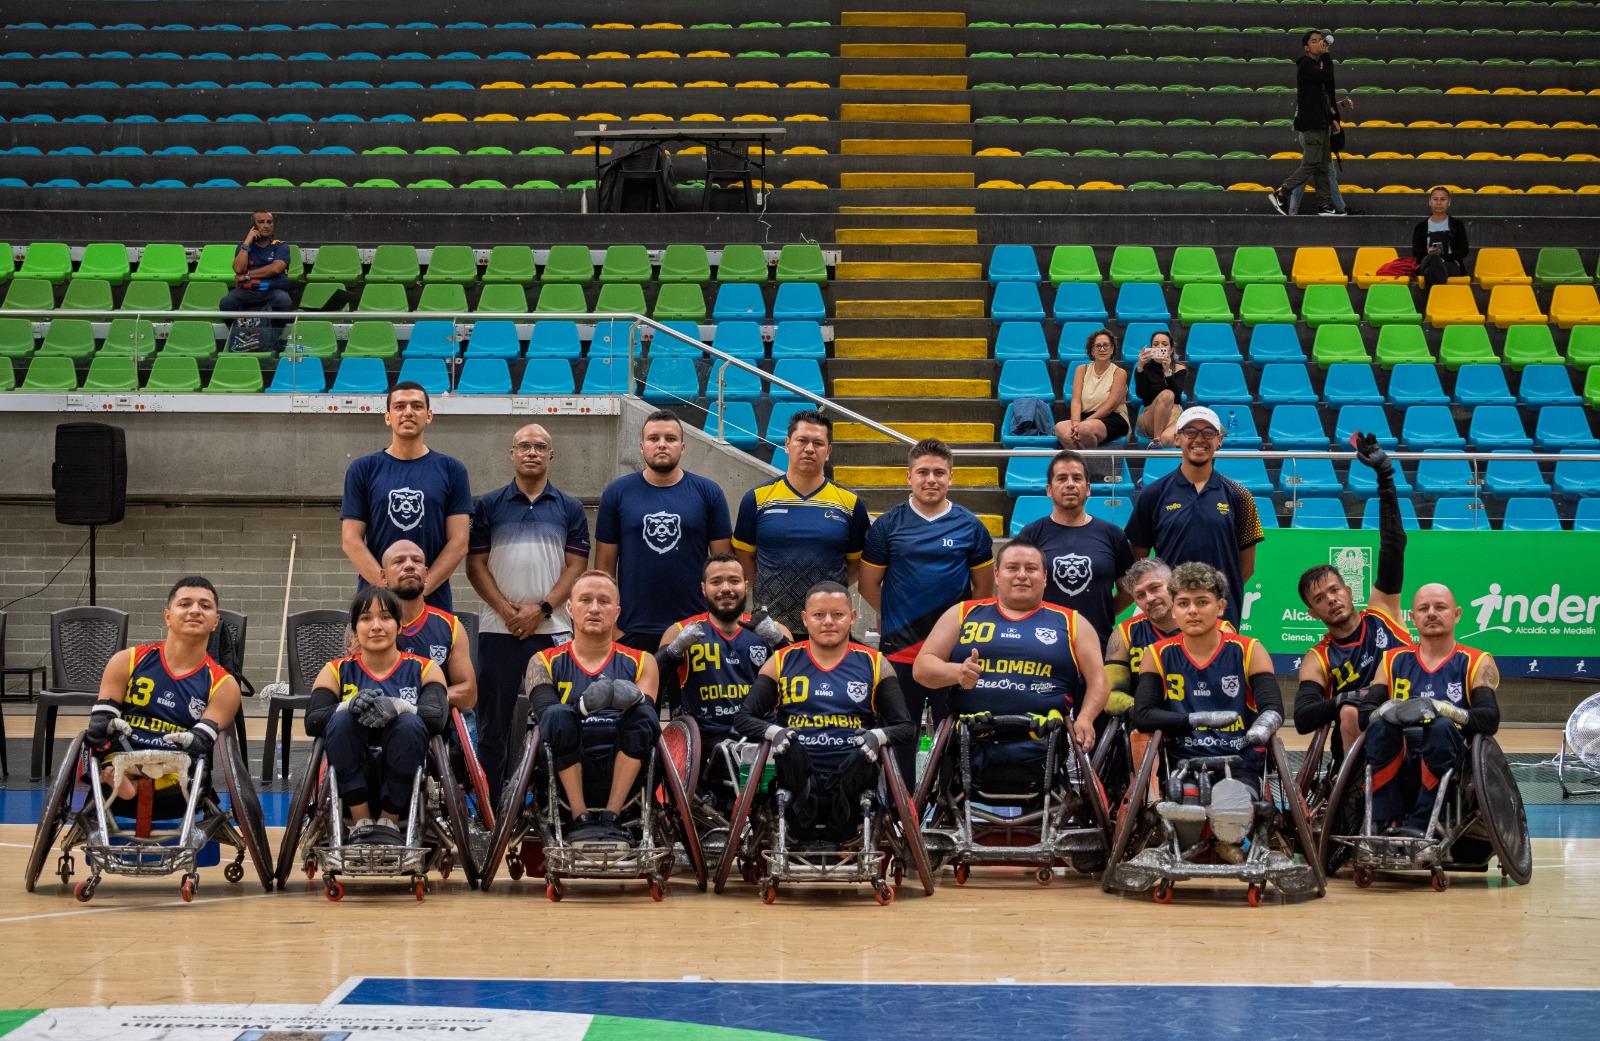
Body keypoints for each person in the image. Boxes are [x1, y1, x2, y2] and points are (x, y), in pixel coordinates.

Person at [732, 582, 914, 847]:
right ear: (805, 619)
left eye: (838, 614)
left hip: (854, 774)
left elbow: (905, 727)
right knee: (790, 747)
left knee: (862, 754)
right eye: (818, 615)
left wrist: (878, 736)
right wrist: (774, 732)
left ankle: (836, 838)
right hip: (797, 775)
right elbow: (743, 719)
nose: (828, 621)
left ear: (852, 617)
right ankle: (804, 836)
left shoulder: (875, 663)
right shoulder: (780, 661)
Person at [466, 423, 589, 802]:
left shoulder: (570, 507)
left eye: (540, 446)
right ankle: (491, 810)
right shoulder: (488, 505)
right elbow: (475, 565)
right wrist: (507, 611)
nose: (532, 452)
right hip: (497, 631)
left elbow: (577, 567)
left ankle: (557, 806)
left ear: (551, 454)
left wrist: (542, 609)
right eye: (524, 446)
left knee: (560, 722)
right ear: (512, 453)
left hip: (554, 632)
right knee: (492, 728)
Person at [859, 438, 995, 781]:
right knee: (900, 737)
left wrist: (953, 632)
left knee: (953, 740)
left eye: (939, 472)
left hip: (952, 657)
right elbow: (868, 585)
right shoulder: (886, 525)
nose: (931, 479)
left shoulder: (971, 527)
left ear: (951, 477)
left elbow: (983, 590)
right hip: (899, 653)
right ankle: (901, 806)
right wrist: (897, 618)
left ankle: (948, 806)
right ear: (909, 477)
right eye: (923, 472)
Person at [914, 542, 1109, 755]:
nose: (1022, 575)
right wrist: (957, 672)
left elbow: (1099, 681)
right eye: (1012, 568)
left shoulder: (1074, 622)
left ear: (1045, 577)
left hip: (1046, 738)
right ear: (997, 575)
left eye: (1031, 569)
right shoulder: (962, 613)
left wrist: (1085, 718)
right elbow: (922, 667)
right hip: (970, 737)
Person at [522, 571, 661, 845]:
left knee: (645, 715)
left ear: (616, 612)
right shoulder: (542, 661)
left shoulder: (643, 660)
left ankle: (612, 815)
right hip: (564, 760)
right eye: (585, 600)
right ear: (570, 609)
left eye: (604, 601)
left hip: (623, 758)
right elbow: (546, 715)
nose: (595, 608)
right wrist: (585, 706)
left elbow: (643, 715)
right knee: (558, 715)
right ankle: (579, 816)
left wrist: (619, 698)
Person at [1294, 434, 1413, 754]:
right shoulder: (1318, 658)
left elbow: (1394, 545)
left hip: (1411, 725)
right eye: (1320, 599)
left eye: (1334, 590)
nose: (1331, 599)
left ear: (1348, 592)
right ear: (1313, 614)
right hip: (1358, 737)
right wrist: (1349, 699)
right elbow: (1303, 718)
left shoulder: (1383, 614)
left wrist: (1385, 478)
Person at [304, 588, 451, 845]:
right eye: (365, 618)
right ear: (354, 629)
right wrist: (347, 705)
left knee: (409, 723)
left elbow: (437, 718)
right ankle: (361, 819)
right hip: (350, 774)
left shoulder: (425, 668)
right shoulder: (335, 669)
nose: (376, 626)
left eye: (385, 617)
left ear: (399, 625)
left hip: (406, 776)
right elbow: (313, 720)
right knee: (340, 720)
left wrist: (401, 706)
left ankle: (388, 821)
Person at [1132, 562, 1283, 806]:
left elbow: (1273, 708)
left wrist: (1261, 730)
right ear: (1174, 610)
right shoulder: (1156, 654)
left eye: (1202, 602)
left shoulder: (1249, 649)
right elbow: (1143, 715)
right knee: (1187, 811)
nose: (1192, 610)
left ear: (1220, 607)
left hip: (1240, 763)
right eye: (1183, 603)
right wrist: (1199, 719)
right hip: (1183, 765)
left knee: (1230, 809)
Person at [1358, 583, 1500, 840]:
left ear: (1456, 614)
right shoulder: (1392, 660)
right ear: (1413, 618)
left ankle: (1421, 823)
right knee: (1379, 726)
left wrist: (1443, 709)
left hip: (1451, 758)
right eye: (1423, 609)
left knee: (1441, 726)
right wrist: (1392, 709)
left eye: (1440, 607)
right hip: (1400, 755)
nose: (1432, 613)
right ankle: (1383, 820)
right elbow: (1364, 716)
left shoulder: (1477, 661)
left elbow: (1490, 719)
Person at [86, 576, 242, 800]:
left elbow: (201, 742)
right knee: (105, 758)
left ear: (215, 622)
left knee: (186, 763)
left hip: (175, 767)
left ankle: (133, 788)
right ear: (168, 616)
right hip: (122, 755)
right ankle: (123, 780)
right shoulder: (126, 661)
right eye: (185, 604)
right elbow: (98, 726)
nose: (195, 610)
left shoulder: (224, 685)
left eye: (205, 606)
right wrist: (108, 723)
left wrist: (190, 742)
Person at [594, 410, 733, 653]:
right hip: (632, 629)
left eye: (670, 438)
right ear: (641, 446)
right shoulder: (617, 493)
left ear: (682, 447)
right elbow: (604, 568)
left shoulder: (709, 493)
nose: (661, 444)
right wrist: (613, 629)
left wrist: (718, 623)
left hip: (694, 627)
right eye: (653, 438)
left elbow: (723, 567)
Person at [656, 554, 791, 793]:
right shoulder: (679, 630)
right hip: (704, 735)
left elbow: (803, 679)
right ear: (704, 588)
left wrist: (779, 642)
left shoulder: (773, 630)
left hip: (760, 731)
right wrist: (675, 649)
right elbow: (652, 679)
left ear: (746, 586)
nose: (726, 588)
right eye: (716, 581)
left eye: (734, 581)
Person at [732, 409, 870, 636]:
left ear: (828, 451)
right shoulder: (756, 499)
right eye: (802, 440)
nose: (809, 448)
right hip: (770, 626)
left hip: (827, 628)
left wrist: (828, 592)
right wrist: (768, 590)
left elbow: (857, 564)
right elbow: (743, 555)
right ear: (787, 445)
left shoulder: (850, 503)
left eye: (818, 443)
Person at [1125, 406, 1265, 629]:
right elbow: (1138, 564)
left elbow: (1246, 569)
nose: (1199, 439)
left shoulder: (1240, 495)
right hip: (1170, 619)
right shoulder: (1153, 494)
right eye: (1190, 431)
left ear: (1219, 440)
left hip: (1222, 617)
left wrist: (1212, 600)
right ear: (1177, 438)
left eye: (1208, 432)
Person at [341, 382, 472, 612]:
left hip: (433, 602)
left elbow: (459, 542)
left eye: (417, 406)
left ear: (429, 415)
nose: (408, 412)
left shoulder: (452, 470)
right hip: (377, 604)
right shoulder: (363, 469)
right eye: (400, 406)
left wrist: (419, 591)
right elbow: (351, 541)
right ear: (388, 417)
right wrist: (390, 594)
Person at [1015, 450, 1133, 650]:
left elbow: (1128, 590)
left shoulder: (1113, 535)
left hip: (1097, 645)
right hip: (1043, 645)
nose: (1070, 484)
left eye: (1077, 478)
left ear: (1088, 489)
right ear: (1049, 490)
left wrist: (1104, 615)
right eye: (1062, 478)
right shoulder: (1031, 535)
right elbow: (1015, 589)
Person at [381, 540, 478, 717]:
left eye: (417, 560)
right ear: (383, 576)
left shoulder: (451, 625)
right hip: (383, 719)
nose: (409, 565)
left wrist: (417, 702)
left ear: (426, 574)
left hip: (435, 722)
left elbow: (469, 694)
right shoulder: (367, 626)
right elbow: (355, 683)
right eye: (399, 561)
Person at [1268, 30, 1345, 218]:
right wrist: (1326, 56)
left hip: (1323, 123)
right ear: (1306, 47)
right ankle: (1282, 193)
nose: (1319, 43)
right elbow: (1325, 75)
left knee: (1323, 166)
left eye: (1320, 40)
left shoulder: (1319, 65)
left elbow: (1328, 89)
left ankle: (1324, 205)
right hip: (1312, 124)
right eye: (1314, 41)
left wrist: (1334, 118)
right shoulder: (1306, 65)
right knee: (1312, 163)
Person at [1056, 328, 1130, 450]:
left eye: (1106, 345)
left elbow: (1110, 406)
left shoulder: (1119, 373)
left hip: (1112, 417)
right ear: (1092, 350)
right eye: (1098, 346)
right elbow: (1076, 400)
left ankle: (1090, 461)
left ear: (1112, 349)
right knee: (1060, 428)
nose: (1102, 349)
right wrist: (1076, 422)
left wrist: (1084, 422)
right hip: (1084, 417)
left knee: (1084, 429)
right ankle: (1084, 461)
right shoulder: (1081, 370)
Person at [218, 210, 292, 317]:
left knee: (284, 302)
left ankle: (272, 328)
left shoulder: (281, 246)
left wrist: (247, 275)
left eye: (269, 222)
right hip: (247, 291)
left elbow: (275, 269)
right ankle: (240, 327)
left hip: (273, 291)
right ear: (253, 226)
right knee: (226, 303)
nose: (266, 226)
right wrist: (247, 243)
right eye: (261, 222)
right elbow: (238, 269)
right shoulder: (243, 247)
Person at [1133, 329, 1187, 448]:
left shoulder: (1180, 368)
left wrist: (1168, 373)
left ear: (1171, 350)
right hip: (1150, 417)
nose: (1160, 347)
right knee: (1167, 394)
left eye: (1165, 344)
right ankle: (1156, 439)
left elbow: (1178, 394)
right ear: (1151, 348)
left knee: (1167, 439)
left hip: (1173, 414)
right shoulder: (1145, 368)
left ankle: (1158, 452)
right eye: (1156, 344)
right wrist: (1140, 368)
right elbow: (1141, 394)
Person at [1412, 186, 1471, 289]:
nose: (1439, 203)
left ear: (1449, 202)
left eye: (1443, 199)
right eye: (1435, 199)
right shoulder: (1421, 226)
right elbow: (1416, 251)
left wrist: (1444, 259)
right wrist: (1428, 253)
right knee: (1433, 257)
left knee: (1429, 272)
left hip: (1450, 264)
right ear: (1430, 202)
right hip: (1427, 262)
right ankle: (1442, 296)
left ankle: (1432, 298)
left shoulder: (1457, 224)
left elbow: (1463, 250)